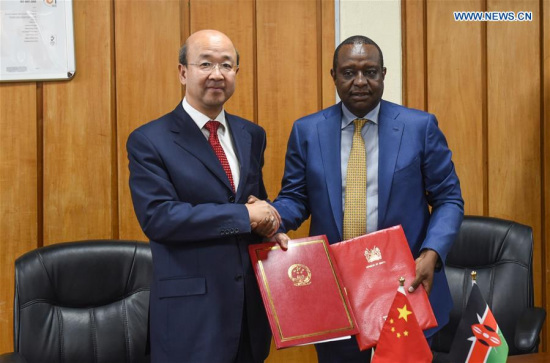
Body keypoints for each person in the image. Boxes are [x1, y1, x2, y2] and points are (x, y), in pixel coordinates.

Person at [270, 35, 464, 362]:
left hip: (405, 290)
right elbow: (295, 198)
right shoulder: (307, 131)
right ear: (333, 76)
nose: (360, 81)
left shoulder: (419, 127)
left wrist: (432, 253)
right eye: (348, 72)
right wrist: (272, 218)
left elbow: (449, 199)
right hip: (337, 296)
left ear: (384, 74)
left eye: (370, 72)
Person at [127, 29, 283, 363]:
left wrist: (270, 224)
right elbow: (159, 218)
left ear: (236, 74)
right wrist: (245, 217)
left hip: (249, 313)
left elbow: (255, 203)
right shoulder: (150, 139)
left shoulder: (251, 134)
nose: (217, 74)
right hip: (191, 317)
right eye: (206, 64)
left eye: (226, 65)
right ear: (183, 72)